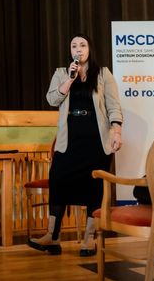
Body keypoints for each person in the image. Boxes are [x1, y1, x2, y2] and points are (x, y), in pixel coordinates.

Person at [28, 33, 123, 256]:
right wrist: (70, 79)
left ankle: (89, 239)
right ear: (70, 51)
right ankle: (53, 237)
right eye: (74, 46)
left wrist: (116, 131)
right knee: (58, 181)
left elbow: (113, 106)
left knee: (93, 188)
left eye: (82, 45)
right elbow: (52, 100)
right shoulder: (62, 73)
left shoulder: (103, 73)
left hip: (96, 140)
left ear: (90, 49)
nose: (78, 49)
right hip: (69, 139)